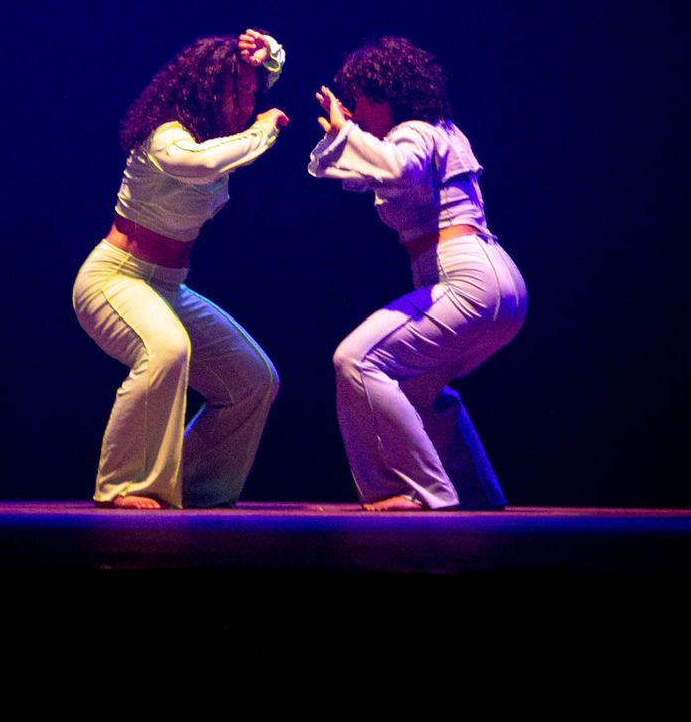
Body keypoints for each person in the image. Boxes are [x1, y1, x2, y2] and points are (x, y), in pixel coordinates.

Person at [309, 36, 526, 511]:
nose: (356, 111)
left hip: (466, 279)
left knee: (356, 360)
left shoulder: (413, 134)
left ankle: (418, 490)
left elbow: (399, 169)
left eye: (361, 100)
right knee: (415, 389)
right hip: (498, 286)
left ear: (387, 95)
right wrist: (344, 136)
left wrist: (347, 134)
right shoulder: (438, 131)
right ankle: (474, 492)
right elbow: (351, 173)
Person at [73, 28, 287, 509]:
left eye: (252, 94)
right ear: (206, 91)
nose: (247, 103)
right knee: (166, 350)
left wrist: (268, 54)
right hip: (115, 278)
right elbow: (203, 164)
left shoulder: (218, 139)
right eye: (237, 91)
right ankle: (124, 485)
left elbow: (267, 77)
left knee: (253, 379)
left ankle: (192, 486)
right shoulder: (167, 136)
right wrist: (264, 128)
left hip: (167, 287)